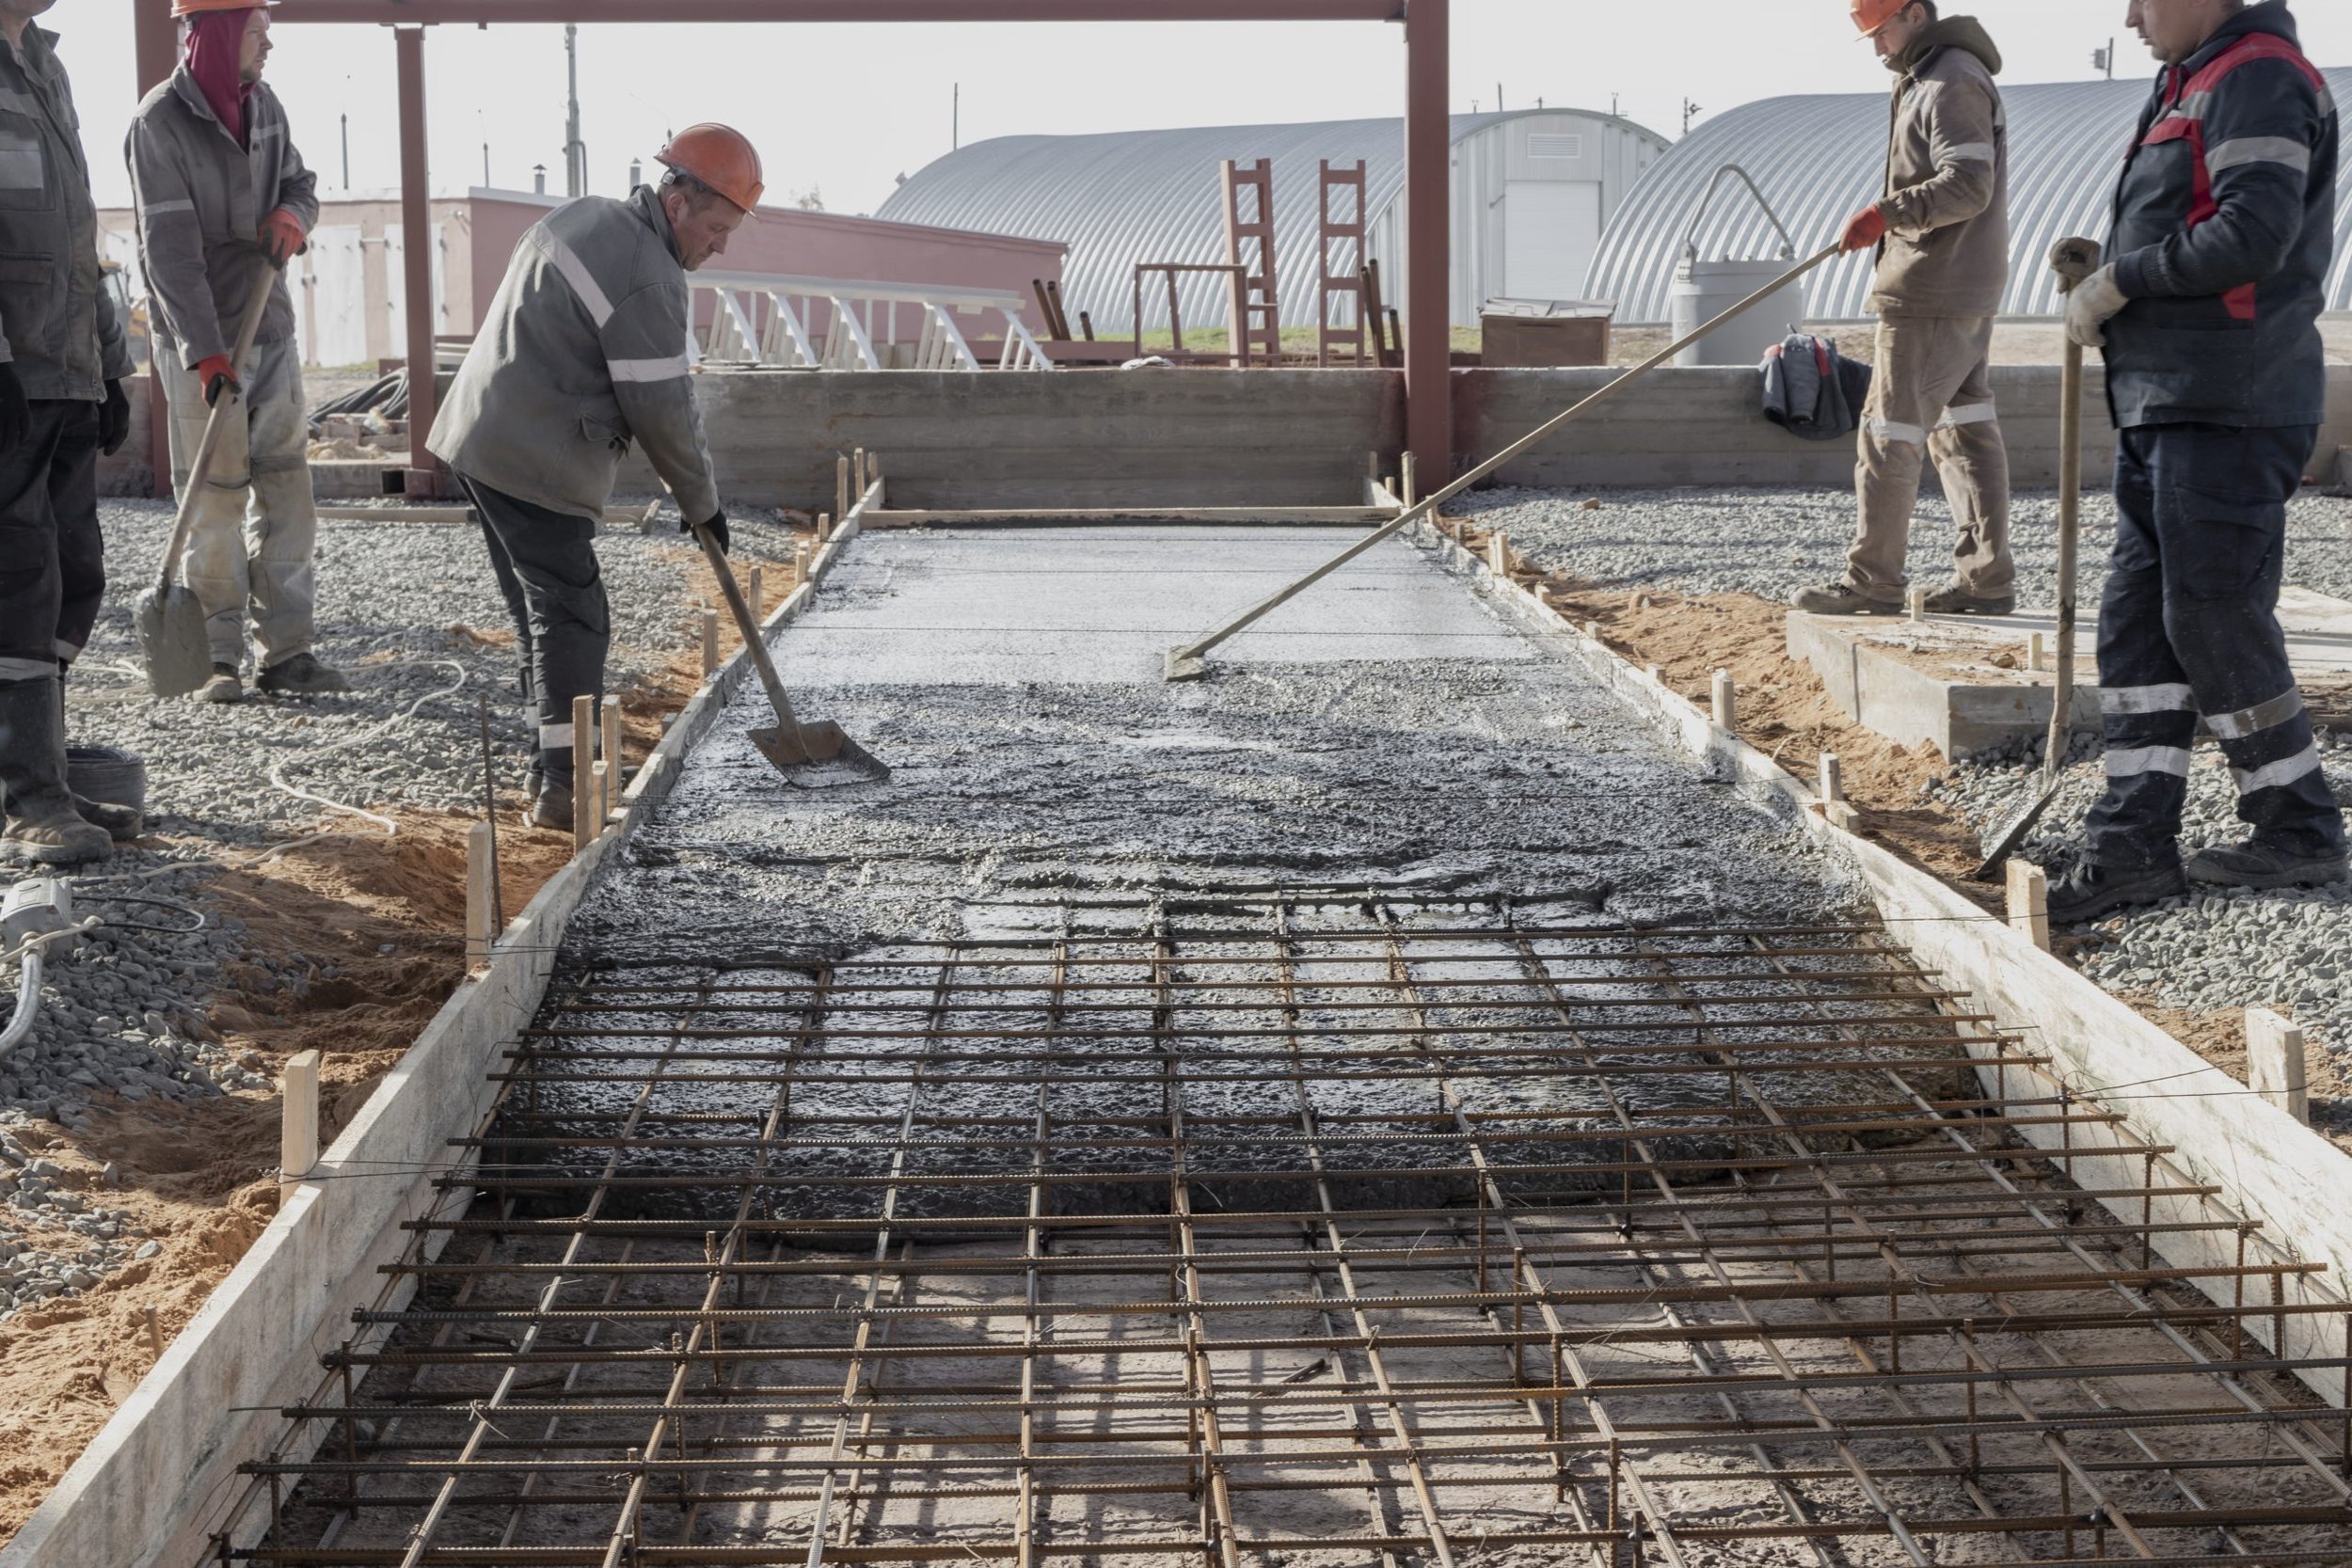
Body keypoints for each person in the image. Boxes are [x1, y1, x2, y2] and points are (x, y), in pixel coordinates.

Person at [2045, 0, 2345, 922]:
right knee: (2137, 621)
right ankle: (2131, 841)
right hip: (2166, 400)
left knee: (2211, 613)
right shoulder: (2189, 80)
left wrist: (2121, 279)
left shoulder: (2254, 76)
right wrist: (2111, 268)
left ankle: (2300, 826)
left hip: (2228, 401)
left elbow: (2254, 235)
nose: (2131, 17)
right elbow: (2195, 217)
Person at [427, 126, 757, 830]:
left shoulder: (585, 216)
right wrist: (702, 502)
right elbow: (663, 407)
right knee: (574, 615)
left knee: (540, 613)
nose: (720, 247)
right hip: (531, 456)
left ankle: (547, 767)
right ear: (678, 204)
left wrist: (693, 496)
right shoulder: (648, 273)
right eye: (717, 229)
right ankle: (567, 786)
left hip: (480, 435)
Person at [127, 0, 345, 705]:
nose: (268, 45)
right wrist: (206, 354)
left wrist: (293, 216)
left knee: (286, 489)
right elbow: (170, 253)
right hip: (203, 342)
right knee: (215, 498)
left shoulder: (266, 108)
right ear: (216, 36)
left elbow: (301, 185)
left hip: (268, 326)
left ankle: (289, 652)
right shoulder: (159, 124)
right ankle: (218, 656)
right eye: (257, 32)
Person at [1794, 0, 2015, 618]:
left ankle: (1874, 581)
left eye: (1882, 30)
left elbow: (1969, 185)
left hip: (1932, 289)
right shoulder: (1931, 76)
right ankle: (1986, 579)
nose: (1877, 47)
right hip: (1959, 286)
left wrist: (1886, 214)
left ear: (1915, 13)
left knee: (1888, 433)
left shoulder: (1950, 81)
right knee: (1964, 429)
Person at [0, 0, 140, 865]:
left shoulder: (46, 68)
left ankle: (40, 766)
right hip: (13, 372)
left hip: (67, 372)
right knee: (17, 582)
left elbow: (80, 233)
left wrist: (114, 363)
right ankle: (29, 800)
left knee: (73, 575)